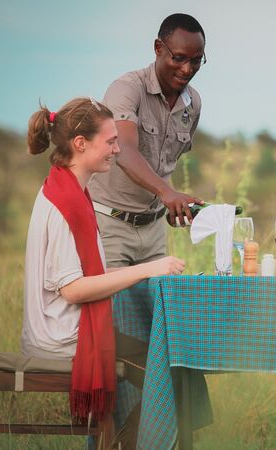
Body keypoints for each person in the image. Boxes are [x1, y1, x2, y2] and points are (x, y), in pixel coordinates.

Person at [22, 97, 185, 421]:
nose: (116, 150)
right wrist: (149, 269)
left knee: (169, 362)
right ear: (80, 144)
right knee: (173, 370)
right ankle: (124, 444)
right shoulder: (64, 204)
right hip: (62, 338)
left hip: (67, 328)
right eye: (111, 142)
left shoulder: (68, 188)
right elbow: (73, 290)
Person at [89, 13, 207, 268]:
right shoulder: (127, 89)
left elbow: (163, 164)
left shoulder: (193, 103)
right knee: (111, 308)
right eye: (179, 58)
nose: (187, 69)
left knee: (158, 307)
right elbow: (123, 150)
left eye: (196, 61)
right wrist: (167, 193)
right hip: (110, 227)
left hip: (154, 231)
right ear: (158, 48)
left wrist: (174, 205)